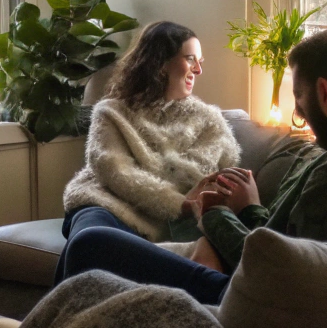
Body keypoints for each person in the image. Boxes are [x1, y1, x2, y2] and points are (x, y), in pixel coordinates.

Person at [59, 27, 327, 304]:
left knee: (89, 245)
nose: (298, 112)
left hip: (261, 304)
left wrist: (212, 213)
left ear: (325, 92)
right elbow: (297, 248)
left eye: (299, 97)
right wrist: (251, 208)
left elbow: (275, 266)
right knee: (89, 236)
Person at [56, 21, 240, 275]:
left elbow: (224, 176)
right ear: (160, 63)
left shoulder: (210, 122)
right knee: (88, 241)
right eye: (190, 59)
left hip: (161, 225)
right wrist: (181, 204)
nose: (198, 70)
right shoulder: (113, 111)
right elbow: (113, 169)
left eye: (201, 62)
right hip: (103, 204)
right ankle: (217, 291)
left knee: (92, 253)